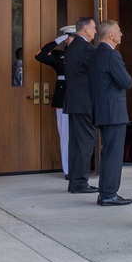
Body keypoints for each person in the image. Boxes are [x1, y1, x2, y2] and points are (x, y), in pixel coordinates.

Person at [88, 19, 132, 206]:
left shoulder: (96, 53)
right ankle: (109, 194)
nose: (121, 34)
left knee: (107, 153)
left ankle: (105, 191)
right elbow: (126, 82)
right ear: (111, 34)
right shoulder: (112, 55)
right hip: (114, 112)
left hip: (102, 110)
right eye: (119, 30)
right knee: (113, 154)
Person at [34, 25, 76, 178]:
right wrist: (57, 40)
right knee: (66, 135)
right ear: (66, 38)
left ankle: (80, 168)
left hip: (81, 98)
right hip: (63, 97)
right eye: (71, 36)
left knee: (81, 135)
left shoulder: (86, 53)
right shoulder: (58, 55)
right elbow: (39, 55)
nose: (74, 40)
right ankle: (68, 170)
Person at [64, 17, 99, 193]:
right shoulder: (86, 48)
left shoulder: (71, 47)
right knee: (86, 142)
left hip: (74, 102)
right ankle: (80, 182)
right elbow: (96, 72)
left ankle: (75, 181)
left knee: (76, 143)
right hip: (85, 103)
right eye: (93, 28)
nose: (95, 31)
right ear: (85, 29)